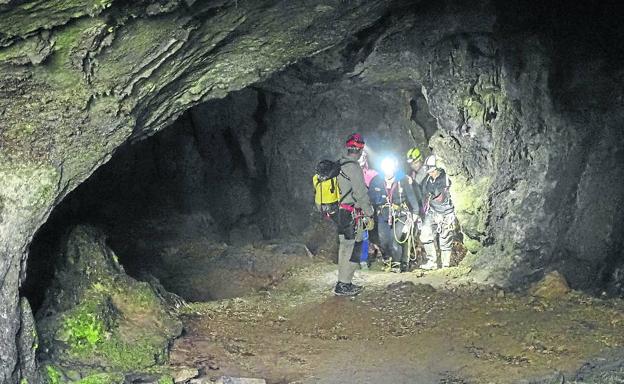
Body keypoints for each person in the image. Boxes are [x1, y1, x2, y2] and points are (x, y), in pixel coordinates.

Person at [333, 133, 375, 296]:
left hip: (338, 212)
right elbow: (360, 194)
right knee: (353, 248)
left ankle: (342, 282)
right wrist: (369, 213)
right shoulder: (353, 168)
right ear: (360, 150)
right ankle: (345, 284)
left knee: (344, 246)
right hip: (350, 213)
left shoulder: (338, 165)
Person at [368, 156, 420, 273]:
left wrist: (415, 213)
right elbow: (369, 196)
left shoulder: (403, 180)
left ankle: (398, 264)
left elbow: (412, 197)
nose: (388, 172)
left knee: (395, 240)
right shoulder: (376, 181)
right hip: (383, 215)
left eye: (390, 169)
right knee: (384, 240)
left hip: (400, 215)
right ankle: (388, 259)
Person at [419, 155, 456, 269]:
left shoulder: (446, 179)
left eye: (433, 171)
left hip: (447, 213)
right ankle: (432, 262)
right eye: (429, 171)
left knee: (445, 238)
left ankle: (445, 265)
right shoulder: (427, 180)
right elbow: (424, 195)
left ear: (438, 169)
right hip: (433, 211)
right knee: (425, 234)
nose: (431, 173)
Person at [358, 150, 378, 270]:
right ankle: (358, 259)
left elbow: (387, 178)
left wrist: (403, 176)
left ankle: (363, 260)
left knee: (364, 234)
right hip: (353, 208)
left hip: (368, 208)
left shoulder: (371, 174)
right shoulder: (349, 174)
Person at [406, 147, 427, 211]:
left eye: (416, 162)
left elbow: (416, 183)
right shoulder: (413, 173)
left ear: (421, 159)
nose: (414, 166)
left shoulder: (425, 170)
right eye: (411, 164)